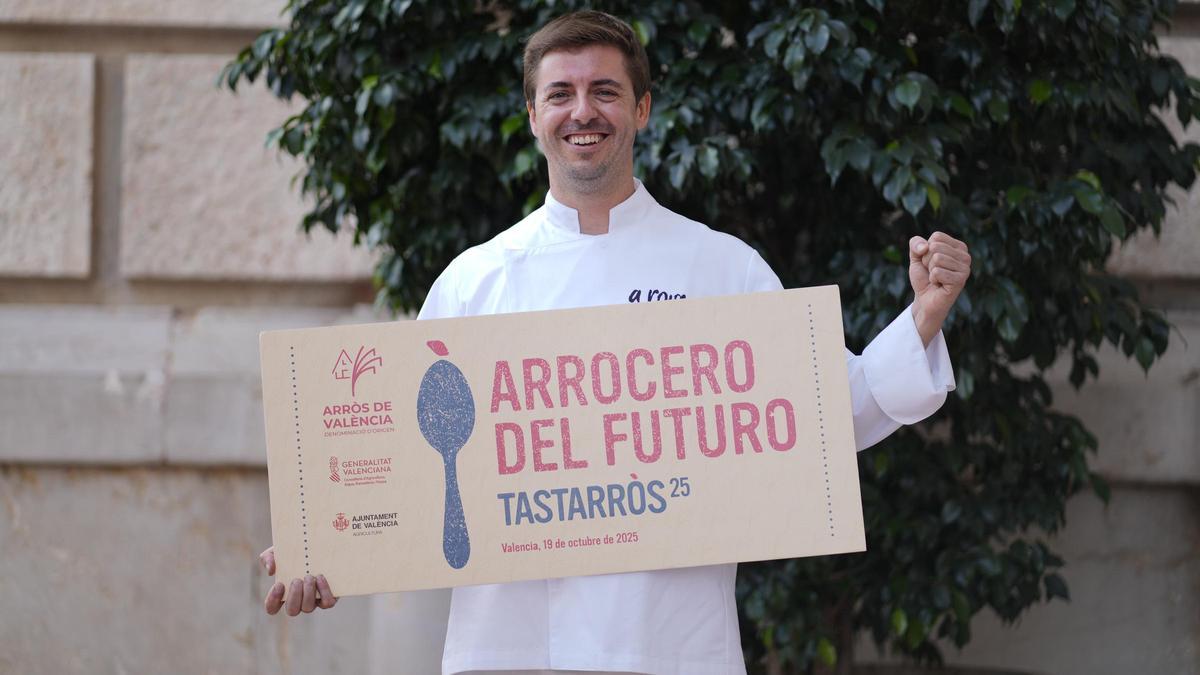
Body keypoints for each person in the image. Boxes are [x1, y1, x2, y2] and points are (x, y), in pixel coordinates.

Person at [259, 10, 972, 675]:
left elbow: (824, 417)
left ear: (641, 109)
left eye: (605, 90)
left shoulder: (719, 267)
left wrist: (923, 317)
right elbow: (412, 466)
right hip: (510, 649)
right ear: (534, 115)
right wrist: (324, 544)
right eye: (560, 93)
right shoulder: (473, 282)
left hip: (669, 644)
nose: (582, 111)